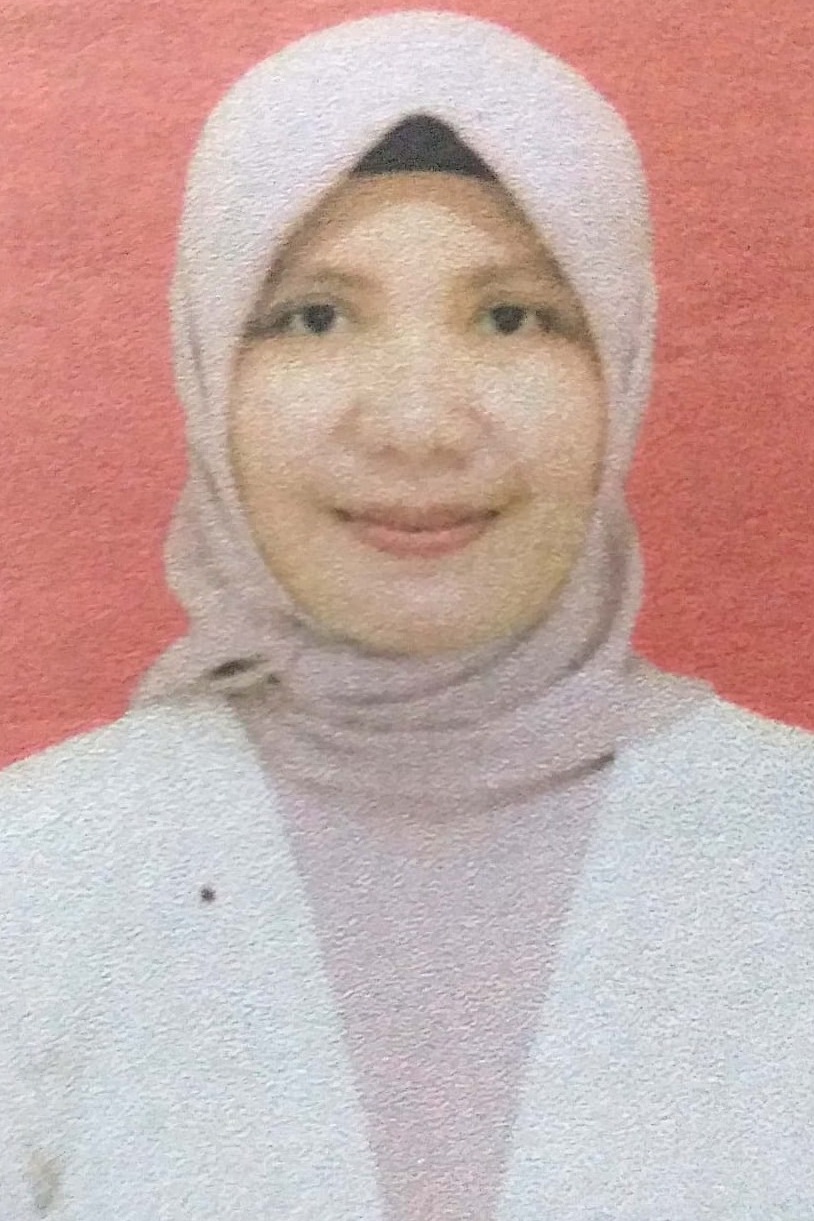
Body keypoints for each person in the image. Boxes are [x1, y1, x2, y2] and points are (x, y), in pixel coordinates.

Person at [1, 10, 812, 1219]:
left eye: (512, 316)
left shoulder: (785, 848)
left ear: (623, 363)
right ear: (206, 362)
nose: (418, 424)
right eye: (314, 316)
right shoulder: (37, 871)